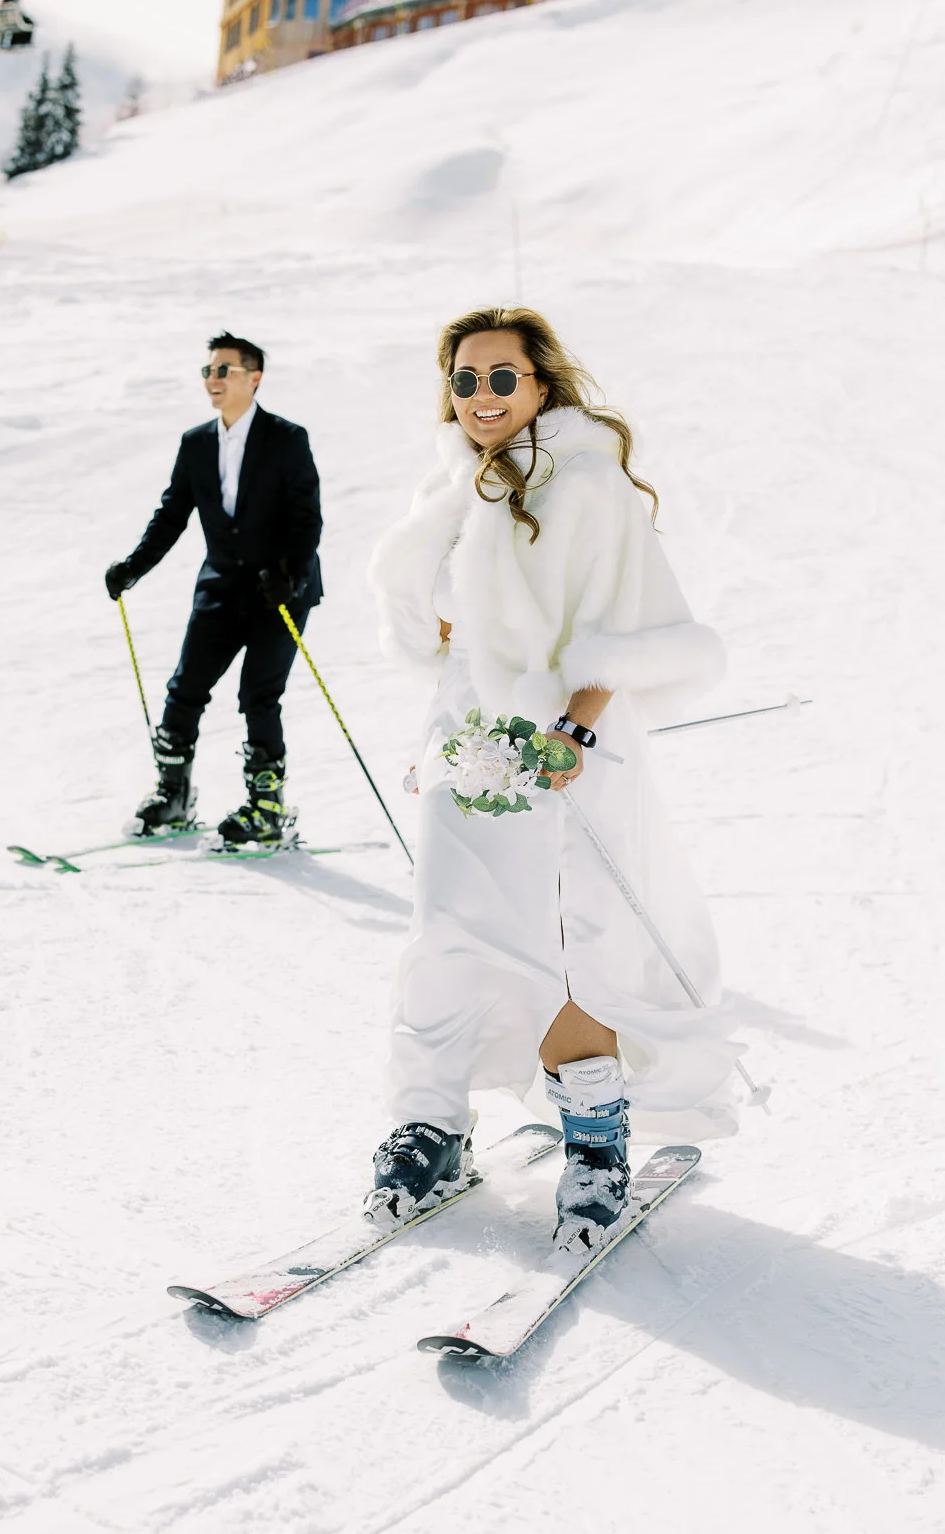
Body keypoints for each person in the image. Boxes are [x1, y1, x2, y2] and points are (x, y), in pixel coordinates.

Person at [366, 306, 739, 1251]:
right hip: (466, 738)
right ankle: (431, 1123)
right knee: (448, 929)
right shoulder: (451, 486)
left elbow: (629, 622)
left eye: (502, 378)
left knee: (577, 937)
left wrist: (571, 726)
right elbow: (435, 621)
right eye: (465, 380)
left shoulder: (587, 483)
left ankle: (595, 1140)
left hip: (569, 743)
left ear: (540, 385)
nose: (482, 396)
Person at [105, 333, 323, 844]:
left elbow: (306, 518)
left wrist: (288, 574)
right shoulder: (197, 442)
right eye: (208, 371)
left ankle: (266, 808)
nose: (213, 380)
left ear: (254, 377)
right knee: (184, 690)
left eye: (224, 370)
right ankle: (172, 796)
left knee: (258, 696)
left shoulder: (286, 438)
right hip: (222, 586)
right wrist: (134, 567)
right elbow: (172, 513)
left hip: (280, 592)